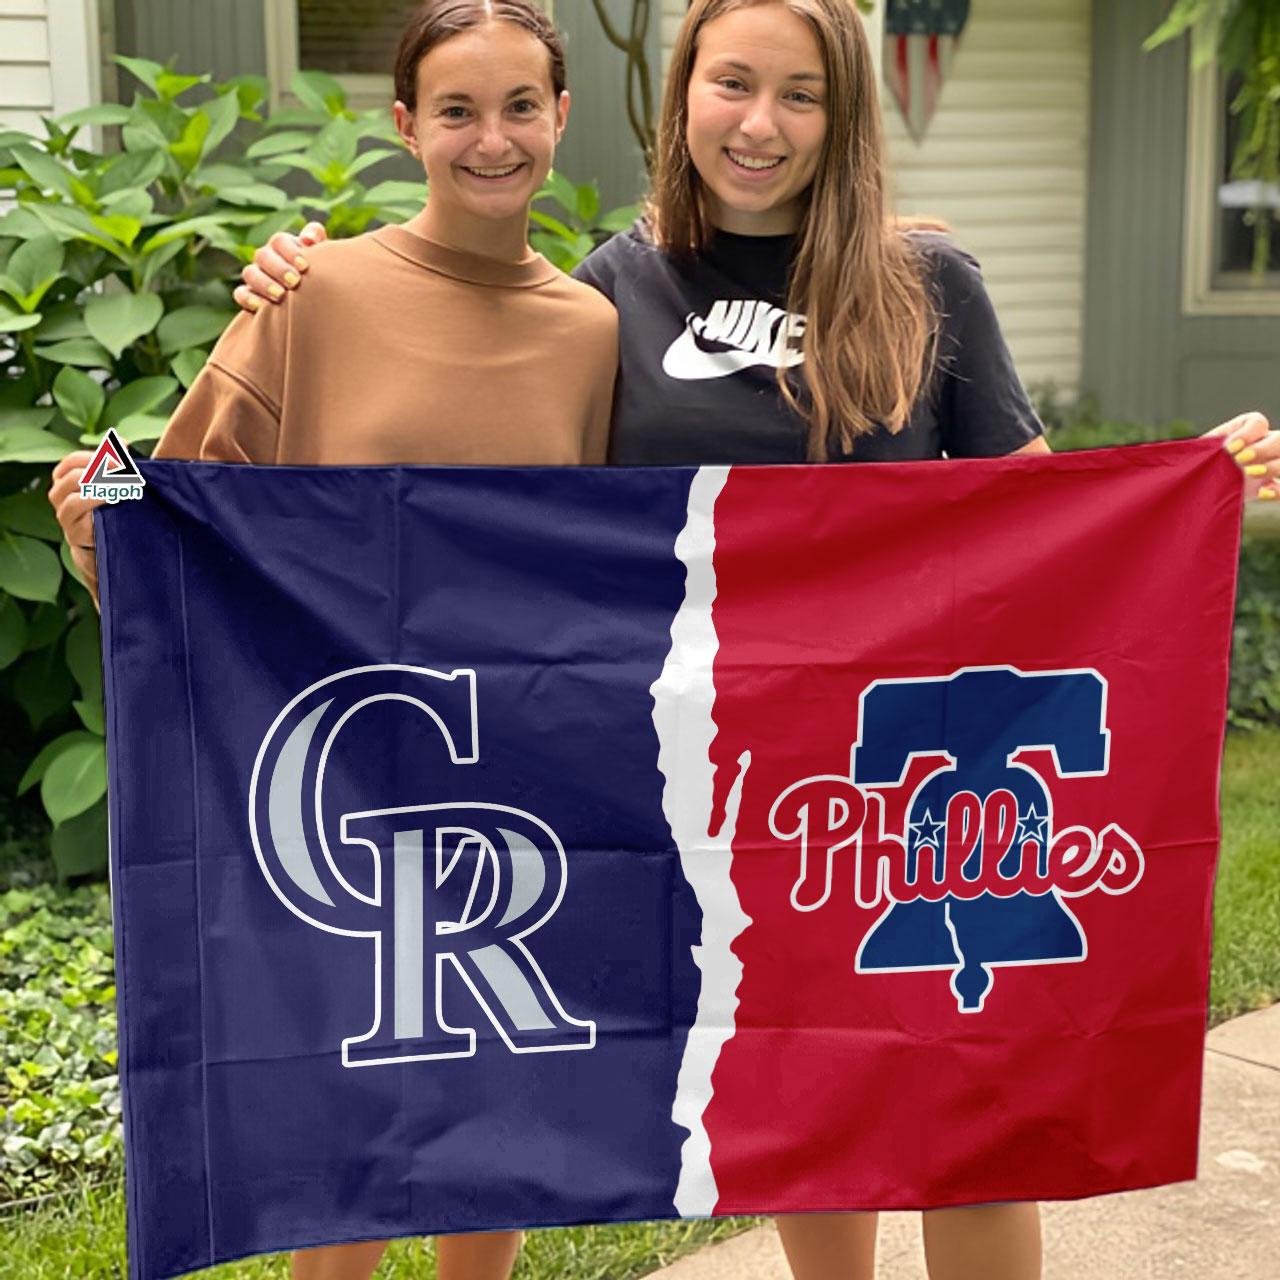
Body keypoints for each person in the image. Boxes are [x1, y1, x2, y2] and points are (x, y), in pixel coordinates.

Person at [227, 2, 1280, 1277]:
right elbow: (524, 510)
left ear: (843, 117)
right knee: (816, 1100)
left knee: (967, 1115)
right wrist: (302, 287)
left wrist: (1179, 494)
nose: (759, 124)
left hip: (911, 774)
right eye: (731, 83)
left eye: (800, 94)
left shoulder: (926, 283)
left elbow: (1034, 520)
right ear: (682, 94)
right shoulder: (612, 294)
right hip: (737, 788)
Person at [47, 4, 617, 1279]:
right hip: (332, 777)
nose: (490, 139)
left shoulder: (590, 330)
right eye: (456, 111)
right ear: (403, 124)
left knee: (493, 1090)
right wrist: (95, 526)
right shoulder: (316, 292)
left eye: (519, 107)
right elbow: (178, 507)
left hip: (508, 772)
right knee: (347, 1104)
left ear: (561, 117)